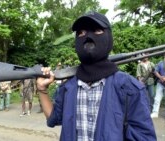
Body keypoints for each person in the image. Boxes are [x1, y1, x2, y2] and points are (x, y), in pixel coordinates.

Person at [36, 11, 156, 141]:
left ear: (109, 37)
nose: (88, 37)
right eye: (81, 33)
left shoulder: (129, 88)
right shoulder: (68, 87)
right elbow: (53, 119)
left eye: (97, 30)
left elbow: (144, 137)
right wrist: (42, 90)